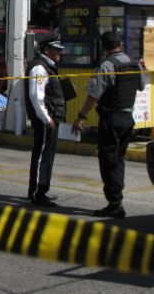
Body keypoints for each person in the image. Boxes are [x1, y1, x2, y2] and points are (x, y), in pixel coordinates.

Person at [72, 31, 145, 219]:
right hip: (128, 119)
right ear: (120, 44)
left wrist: (80, 116)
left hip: (111, 119)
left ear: (104, 47)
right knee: (118, 159)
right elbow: (141, 86)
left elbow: (93, 95)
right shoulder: (133, 63)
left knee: (108, 160)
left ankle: (115, 203)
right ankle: (116, 200)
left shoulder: (106, 65)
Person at [24, 36, 75, 207]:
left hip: (50, 117)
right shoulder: (39, 68)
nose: (60, 53)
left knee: (47, 155)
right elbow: (35, 96)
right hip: (46, 119)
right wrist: (46, 118)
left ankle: (40, 190)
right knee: (42, 156)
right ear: (47, 50)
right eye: (56, 49)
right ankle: (38, 192)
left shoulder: (48, 66)